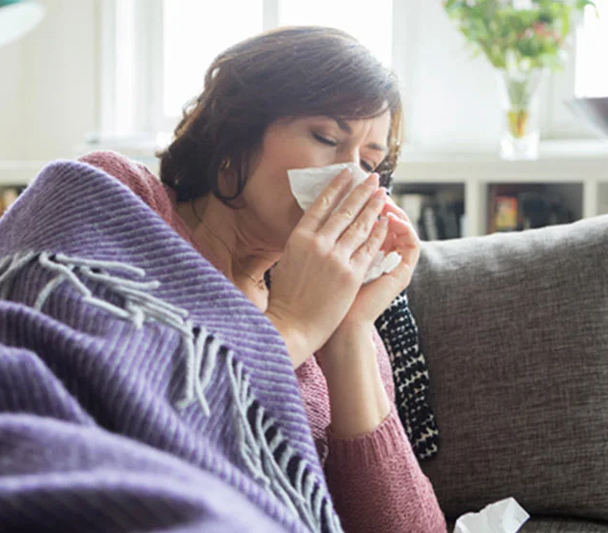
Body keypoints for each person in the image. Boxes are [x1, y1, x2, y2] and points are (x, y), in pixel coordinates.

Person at [80, 26, 446, 532]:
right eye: (325, 138)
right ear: (236, 136)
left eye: (369, 163)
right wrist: (293, 326)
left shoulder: (337, 312)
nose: (350, 180)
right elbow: (114, 430)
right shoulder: (122, 197)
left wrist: (347, 334)